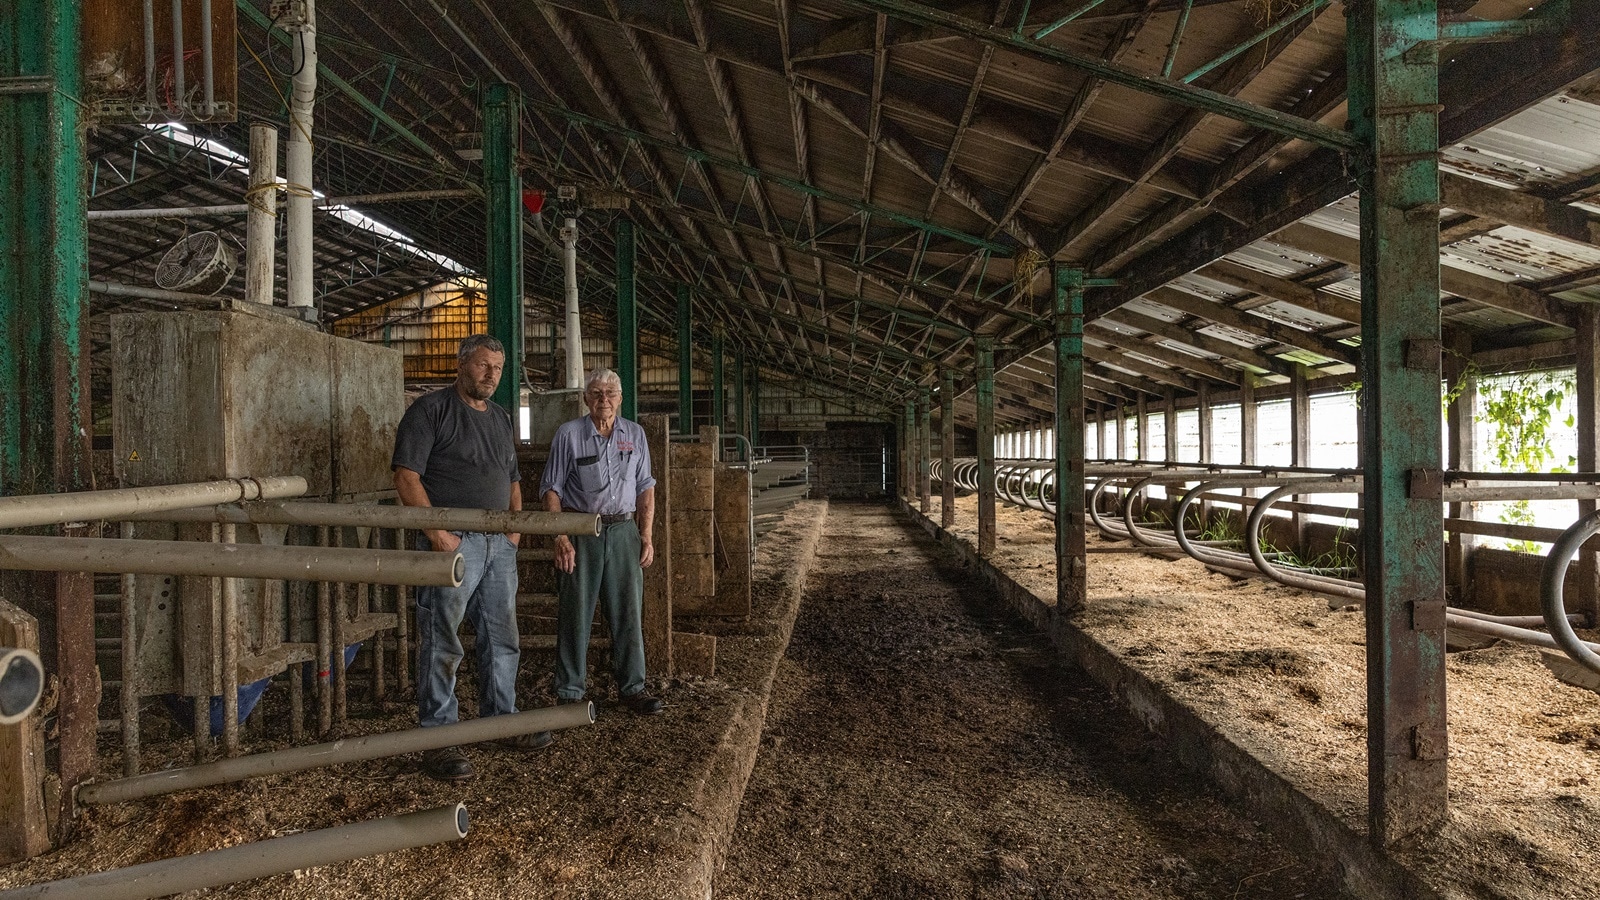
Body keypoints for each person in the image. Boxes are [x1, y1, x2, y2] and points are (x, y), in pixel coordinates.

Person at [392, 333, 549, 782]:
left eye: (497, 368)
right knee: (442, 638)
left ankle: (501, 719)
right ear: (462, 364)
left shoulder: (500, 418)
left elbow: (514, 479)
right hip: (454, 542)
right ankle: (438, 737)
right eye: (483, 365)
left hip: (499, 544)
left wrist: (514, 530)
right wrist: (439, 536)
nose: (491, 375)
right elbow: (406, 477)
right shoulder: (430, 411)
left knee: (503, 636)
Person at [541, 368, 664, 716]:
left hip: (624, 529)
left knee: (628, 610)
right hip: (583, 529)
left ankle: (633, 688)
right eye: (596, 393)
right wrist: (560, 535)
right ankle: (569, 692)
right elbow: (552, 488)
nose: (603, 400)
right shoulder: (568, 435)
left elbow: (646, 488)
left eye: (610, 393)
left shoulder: (635, 435)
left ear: (621, 398)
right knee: (576, 611)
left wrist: (646, 535)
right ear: (586, 399)